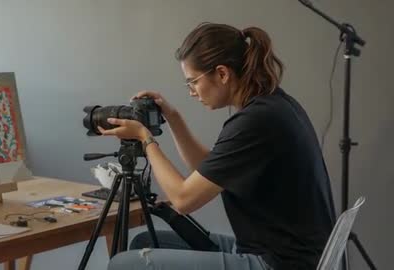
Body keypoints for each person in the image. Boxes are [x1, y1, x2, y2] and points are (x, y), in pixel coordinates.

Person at [98, 22, 336, 270]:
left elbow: (182, 200)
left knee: (124, 265)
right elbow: (208, 169)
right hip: (275, 251)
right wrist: (174, 119)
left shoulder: (255, 122)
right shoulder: (274, 105)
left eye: (193, 82)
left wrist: (145, 139)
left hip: (279, 263)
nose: (191, 91)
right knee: (145, 241)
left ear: (222, 73)